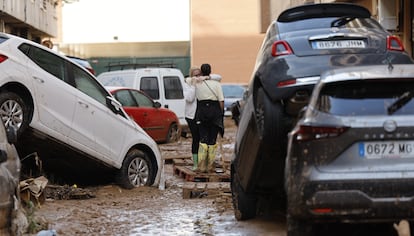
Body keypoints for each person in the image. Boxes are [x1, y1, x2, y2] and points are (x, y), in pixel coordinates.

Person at [184, 66, 221, 171]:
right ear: (191, 76)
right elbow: (189, 98)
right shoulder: (188, 84)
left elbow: (218, 77)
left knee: (205, 139)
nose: (198, 77)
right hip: (192, 115)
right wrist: (194, 85)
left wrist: (206, 78)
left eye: (199, 74)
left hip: (203, 114)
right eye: (195, 75)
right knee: (196, 138)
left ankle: (205, 162)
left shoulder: (204, 82)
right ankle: (196, 163)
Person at [195, 63, 224, 173]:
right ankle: (210, 165)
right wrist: (220, 114)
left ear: (201, 72)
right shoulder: (217, 84)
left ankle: (202, 166)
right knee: (212, 140)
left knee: (203, 139)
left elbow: (188, 80)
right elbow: (221, 101)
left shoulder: (198, 84)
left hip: (201, 112)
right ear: (210, 71)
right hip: (214, 113)